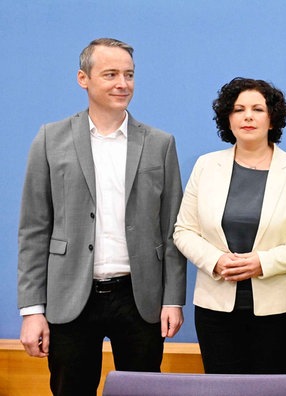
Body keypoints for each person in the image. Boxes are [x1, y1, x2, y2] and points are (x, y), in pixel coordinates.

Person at [17, 38, 186, 396]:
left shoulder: (160, 143)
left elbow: (172, 228)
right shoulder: (50, 139)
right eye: (110, 74)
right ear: (84, 78)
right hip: (71, 296)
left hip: (139, 297)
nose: (122, 83)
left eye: (129, 74)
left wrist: (173, 299)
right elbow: (34, 229)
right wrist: (32, 310)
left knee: (142, 391)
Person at [174, 78, 286, 374]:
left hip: (279, 311)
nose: (248, 116)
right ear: (228, 118)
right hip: (215, 311)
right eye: (239, 109)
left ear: (272, 118)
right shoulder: (206, 166)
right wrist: (217, 260)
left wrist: (263, 262)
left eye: (257, 109)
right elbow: (183, 230)